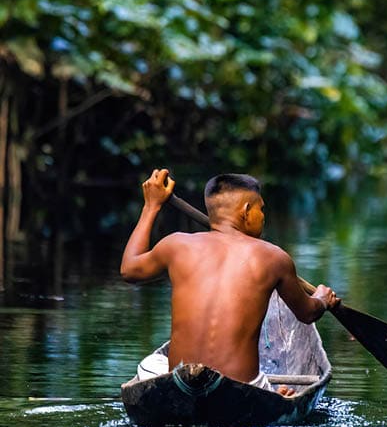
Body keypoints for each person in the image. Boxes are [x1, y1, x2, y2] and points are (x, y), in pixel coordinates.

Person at [120, 168, 339, 394]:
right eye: (261, 209)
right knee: (269, 389)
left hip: (181, 384)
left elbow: (129, 270)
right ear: (246, 211)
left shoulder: (176, 245)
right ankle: (273, 394)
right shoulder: (274, 257)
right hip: (243, 389)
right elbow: (307, 313)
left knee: (151, 365)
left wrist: (151, 206)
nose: (263, 217)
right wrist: (322, 299)